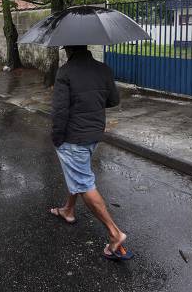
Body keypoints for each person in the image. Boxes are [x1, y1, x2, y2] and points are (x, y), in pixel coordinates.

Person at [49, 45, 132, 261]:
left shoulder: (65, 72)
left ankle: (115, 234)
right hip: (94, 134)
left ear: (68, 49)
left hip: (73, 137)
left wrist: (57, 138)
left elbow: (60, 111)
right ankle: (68, 210)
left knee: (84, 182)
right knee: (78, 173)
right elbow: (113, 100)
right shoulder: (103, 69)